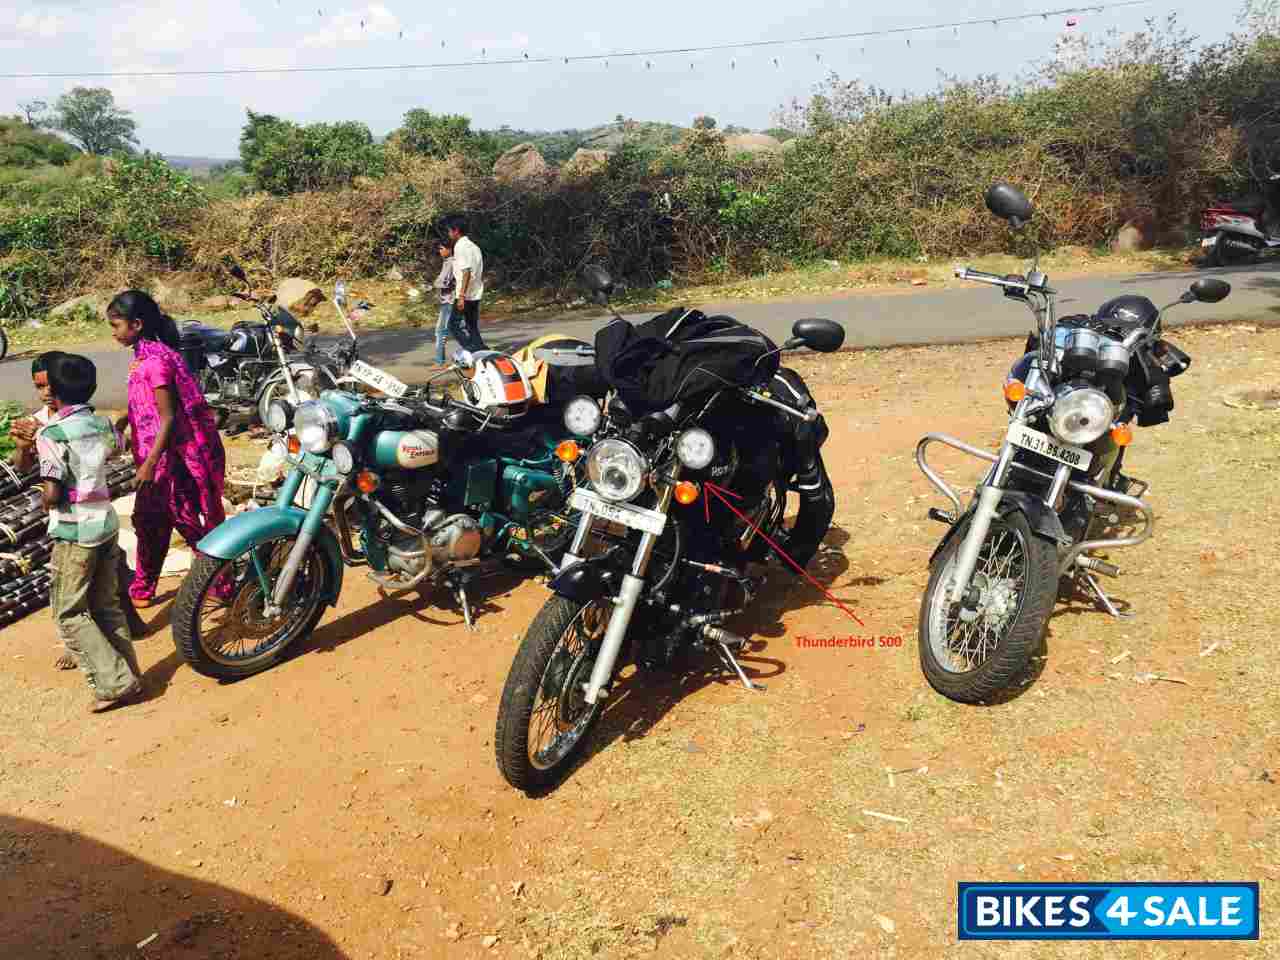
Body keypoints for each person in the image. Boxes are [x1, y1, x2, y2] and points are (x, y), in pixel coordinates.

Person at [11, 353, 148, 661]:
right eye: (38, 386)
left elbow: (54, 489)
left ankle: (108, 660)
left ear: (61, 385)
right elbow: (22, 467)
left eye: (49, 385)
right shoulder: (42, 421)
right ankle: (91, 650)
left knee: (80, 595)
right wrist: (23, 447)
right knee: (94, 587)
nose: (45, 392)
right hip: (93, 515)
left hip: (74, 518)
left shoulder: (59, 426)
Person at [35, 353, 144, 713]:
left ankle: (115, 684)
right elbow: (119, 447)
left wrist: (45, 500)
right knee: (106, 605)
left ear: (54, 390)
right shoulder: (100, 425)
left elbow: (51, 492)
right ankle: (129, 674)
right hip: (106, 523)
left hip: (74, 531)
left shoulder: (50, 434)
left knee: (68, 612)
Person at [107, 291, 229, 607]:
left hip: (168, 462)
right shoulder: (146, 357)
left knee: (178, 520)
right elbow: (151, 402)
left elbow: (169, 416)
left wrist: (149, 463)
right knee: (154, 520)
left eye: (116, 325)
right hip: (160, 458)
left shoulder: (156, 361)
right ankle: (147, 586)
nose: (113, 332)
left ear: (136, 324)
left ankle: (217, 581)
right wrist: (125, 418)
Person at [443, 214, 489, 352]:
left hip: (465, 293)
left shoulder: (460, 247)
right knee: (471, 326)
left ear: (456, 230)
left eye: (449, 230)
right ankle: (483, 351)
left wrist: (461, 295)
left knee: (453, 325)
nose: (449, 233)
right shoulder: (473, 246)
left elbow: (466, 272)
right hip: (475, 291)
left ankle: (472, 351)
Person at [432, 239, 460, 364]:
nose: (440, 251)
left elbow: (444, 282)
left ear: (449, 249)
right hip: (449, 300)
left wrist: (435, 283)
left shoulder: (450, 262)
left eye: (442, 248)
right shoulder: (448, 262)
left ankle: (439, 361)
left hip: (449, 301)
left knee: (440, 331)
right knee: (456, 329)